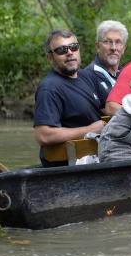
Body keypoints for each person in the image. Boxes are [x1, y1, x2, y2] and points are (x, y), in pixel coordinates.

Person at [34, 29, 107, 167]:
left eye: (74, 47)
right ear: (50, 57)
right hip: (68, 165)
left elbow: (109, 107)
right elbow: (43, 135)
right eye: (62, 50)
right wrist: (89, 130)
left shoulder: (88, 76)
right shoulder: (49, 88)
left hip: (97, 156)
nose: (69, 52)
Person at [85, 20, 129, 102]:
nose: (113, 48)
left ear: (124, 48)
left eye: (118, 42)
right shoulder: (87, 77)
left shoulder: (127, 76)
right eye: (108, 42)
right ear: (98, 46)